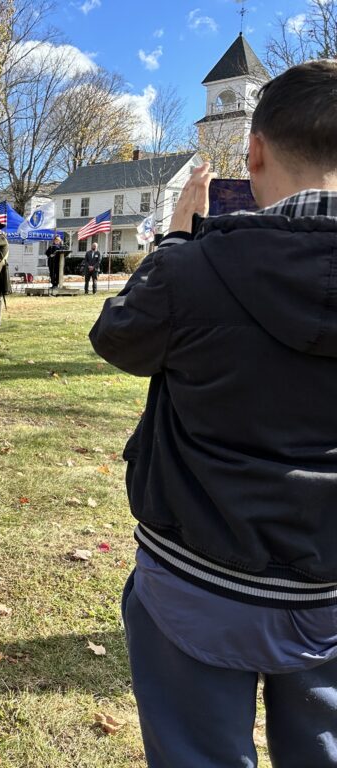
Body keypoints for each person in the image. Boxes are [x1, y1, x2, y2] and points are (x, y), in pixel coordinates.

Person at [90, 60, 337, 767]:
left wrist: (175, 237)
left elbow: (117, 338)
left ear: (253, 151)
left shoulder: (191, 265)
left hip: (197, 577)